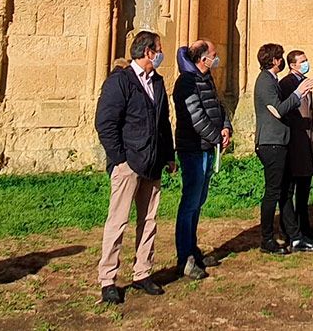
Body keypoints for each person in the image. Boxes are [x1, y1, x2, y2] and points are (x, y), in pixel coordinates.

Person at [94, 31, 176, 304]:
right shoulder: (121, 81)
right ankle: (108, 279)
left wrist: (168, 155)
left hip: (152, 162)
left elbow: (162, 122)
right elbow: (106, 122)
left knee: (149, 220)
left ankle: (142, 272)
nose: (162, 53)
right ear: (148, 52)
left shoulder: (157, 82)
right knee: (118, 221)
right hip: (129, 163)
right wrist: (120, 158)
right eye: (159, 49)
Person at [254, 43, 313, 254]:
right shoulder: (265, 80)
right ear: (274, 60)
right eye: (280, 57)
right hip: (271, 142)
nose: (282, 60)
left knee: (284, 191)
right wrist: (298, 93)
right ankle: (267, 239)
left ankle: (295, 237)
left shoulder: (271, 80)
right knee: (273, 192)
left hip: (279, 141)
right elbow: (277, 110)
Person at [172, 39, 233, 280]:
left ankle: (193, 249)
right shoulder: (187, 81)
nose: (216, 58)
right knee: (189, 203)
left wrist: (226, 127)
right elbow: (195, 116)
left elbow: (217, 106)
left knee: (198, 201)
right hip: (193, 149)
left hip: (207, 147)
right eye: (214, 54)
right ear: (202, 58)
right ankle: (184, 257)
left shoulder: (205, 79)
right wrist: (216, 136)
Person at [279, 50, 313, 243]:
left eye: (306, 60)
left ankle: (305, 226)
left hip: (306, 139)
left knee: (305, 187)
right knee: (291, 188)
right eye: (302, 61)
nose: (306, 63)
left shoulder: (304, 81)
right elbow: (286, 110)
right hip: (295, 140)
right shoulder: (287, 83)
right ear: (292, 64)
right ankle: (291, 229)